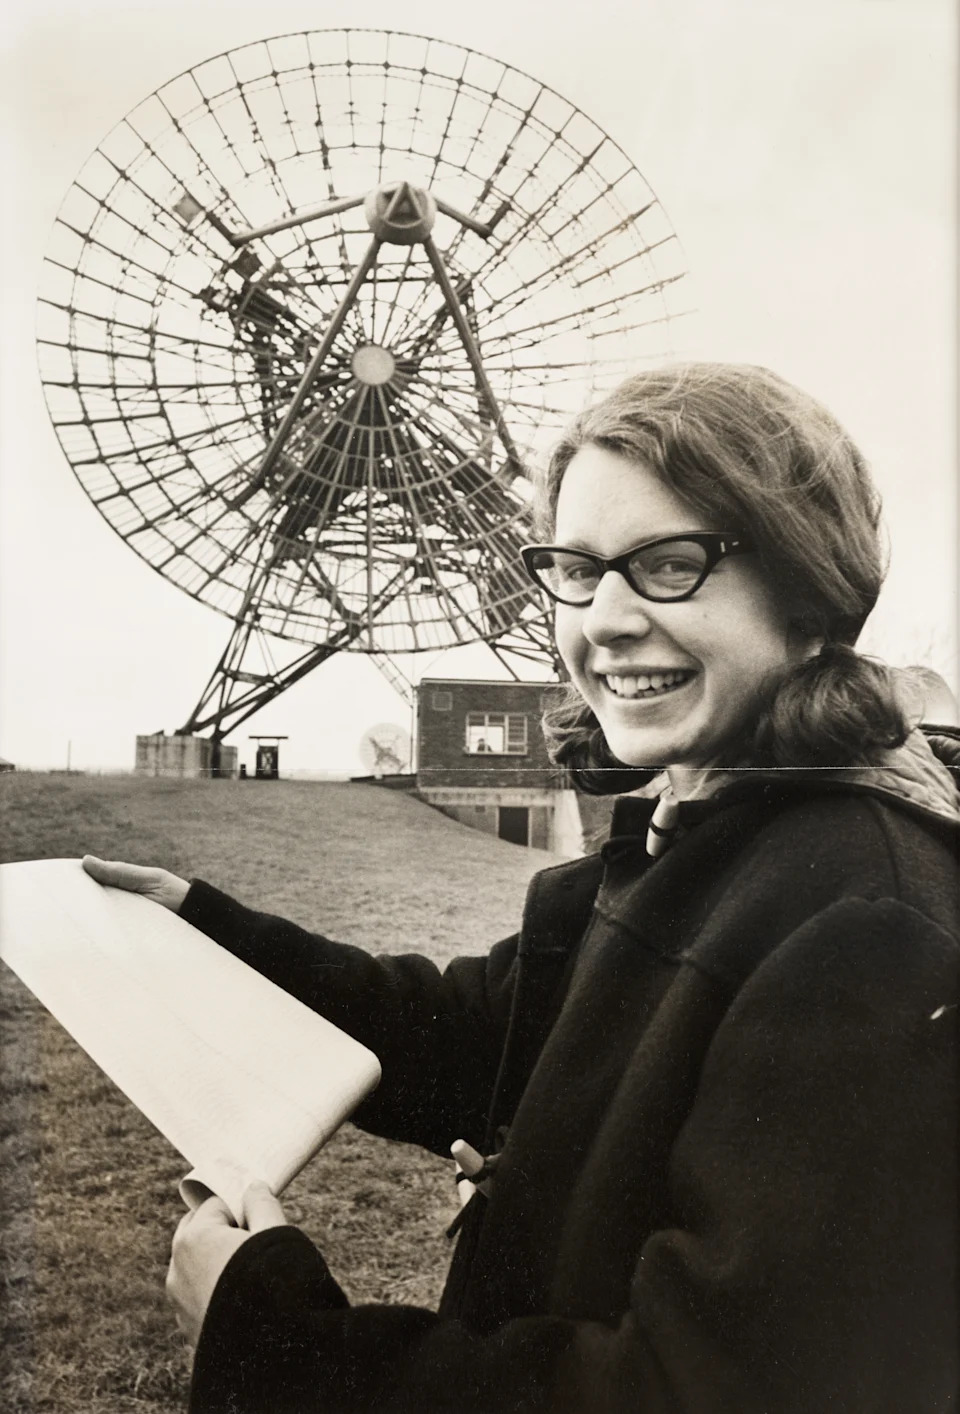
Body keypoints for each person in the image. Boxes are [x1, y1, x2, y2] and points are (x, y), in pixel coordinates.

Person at [83, 363, 959, 1413]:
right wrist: (203, 929)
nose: (607, 619)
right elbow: (477, 1036)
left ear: (811, 585)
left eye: (670, 564)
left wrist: (279, 1337)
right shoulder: (700, 834)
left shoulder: (868, 928)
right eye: (577, 569)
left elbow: (697, 1389)